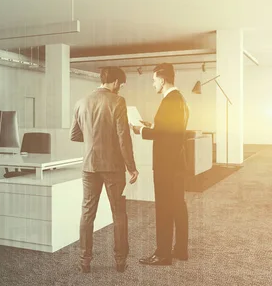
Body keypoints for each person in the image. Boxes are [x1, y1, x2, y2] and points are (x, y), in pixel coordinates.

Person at [71, 66, 139, 273]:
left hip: (89, 166)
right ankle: (120, 261)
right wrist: (132, 168)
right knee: (118, 213)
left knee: (87, 213)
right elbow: (123, 139)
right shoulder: (118, 101)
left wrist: (94, 139)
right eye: (121, 84)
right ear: (116, 82)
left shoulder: (81, 102)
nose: (121, 88)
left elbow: (75, 134)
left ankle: (84, 261)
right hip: (113, 167)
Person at [132, 63, 189, 266]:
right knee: (178, 206)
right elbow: (170, 130)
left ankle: (162, 254)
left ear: (162, 80)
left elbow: (165, 134)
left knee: (164, 208)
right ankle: (181, 250)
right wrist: (152, 126)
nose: (153, 84)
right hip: (176, 163)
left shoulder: (170, 100)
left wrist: (142, 131)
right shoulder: (179, 99)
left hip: (166, 165)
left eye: (154, 80)